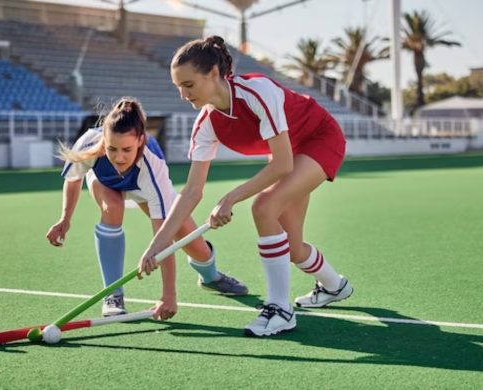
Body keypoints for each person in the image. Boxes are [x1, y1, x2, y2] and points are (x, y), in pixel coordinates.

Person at [139, 36, 353, 337]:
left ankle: (280, 309)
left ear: (213, 74)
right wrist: (156, 246)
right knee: (292, 247)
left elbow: (281, 165)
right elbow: (190, 192)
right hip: (289, 149)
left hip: (319, 138)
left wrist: (230, 198)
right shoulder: (206, 124)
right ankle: (335, 285)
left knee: (263, 207)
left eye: (188, 85)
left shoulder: (257, 91)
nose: (183, 94)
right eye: (178, 87)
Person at [46, 97, 248, 320]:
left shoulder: (153, 165)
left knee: (196, 247)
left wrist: (168, 295)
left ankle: (211, 277)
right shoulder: (89, 143)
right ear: (104, 138)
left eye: (127, 149)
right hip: (106, 182)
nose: (118, 157)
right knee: (112, 209)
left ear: (141, 141)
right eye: (112, 148)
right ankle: (113, 294)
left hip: (144, 187)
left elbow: (164, 234)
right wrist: (65, 219)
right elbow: (73, 179)